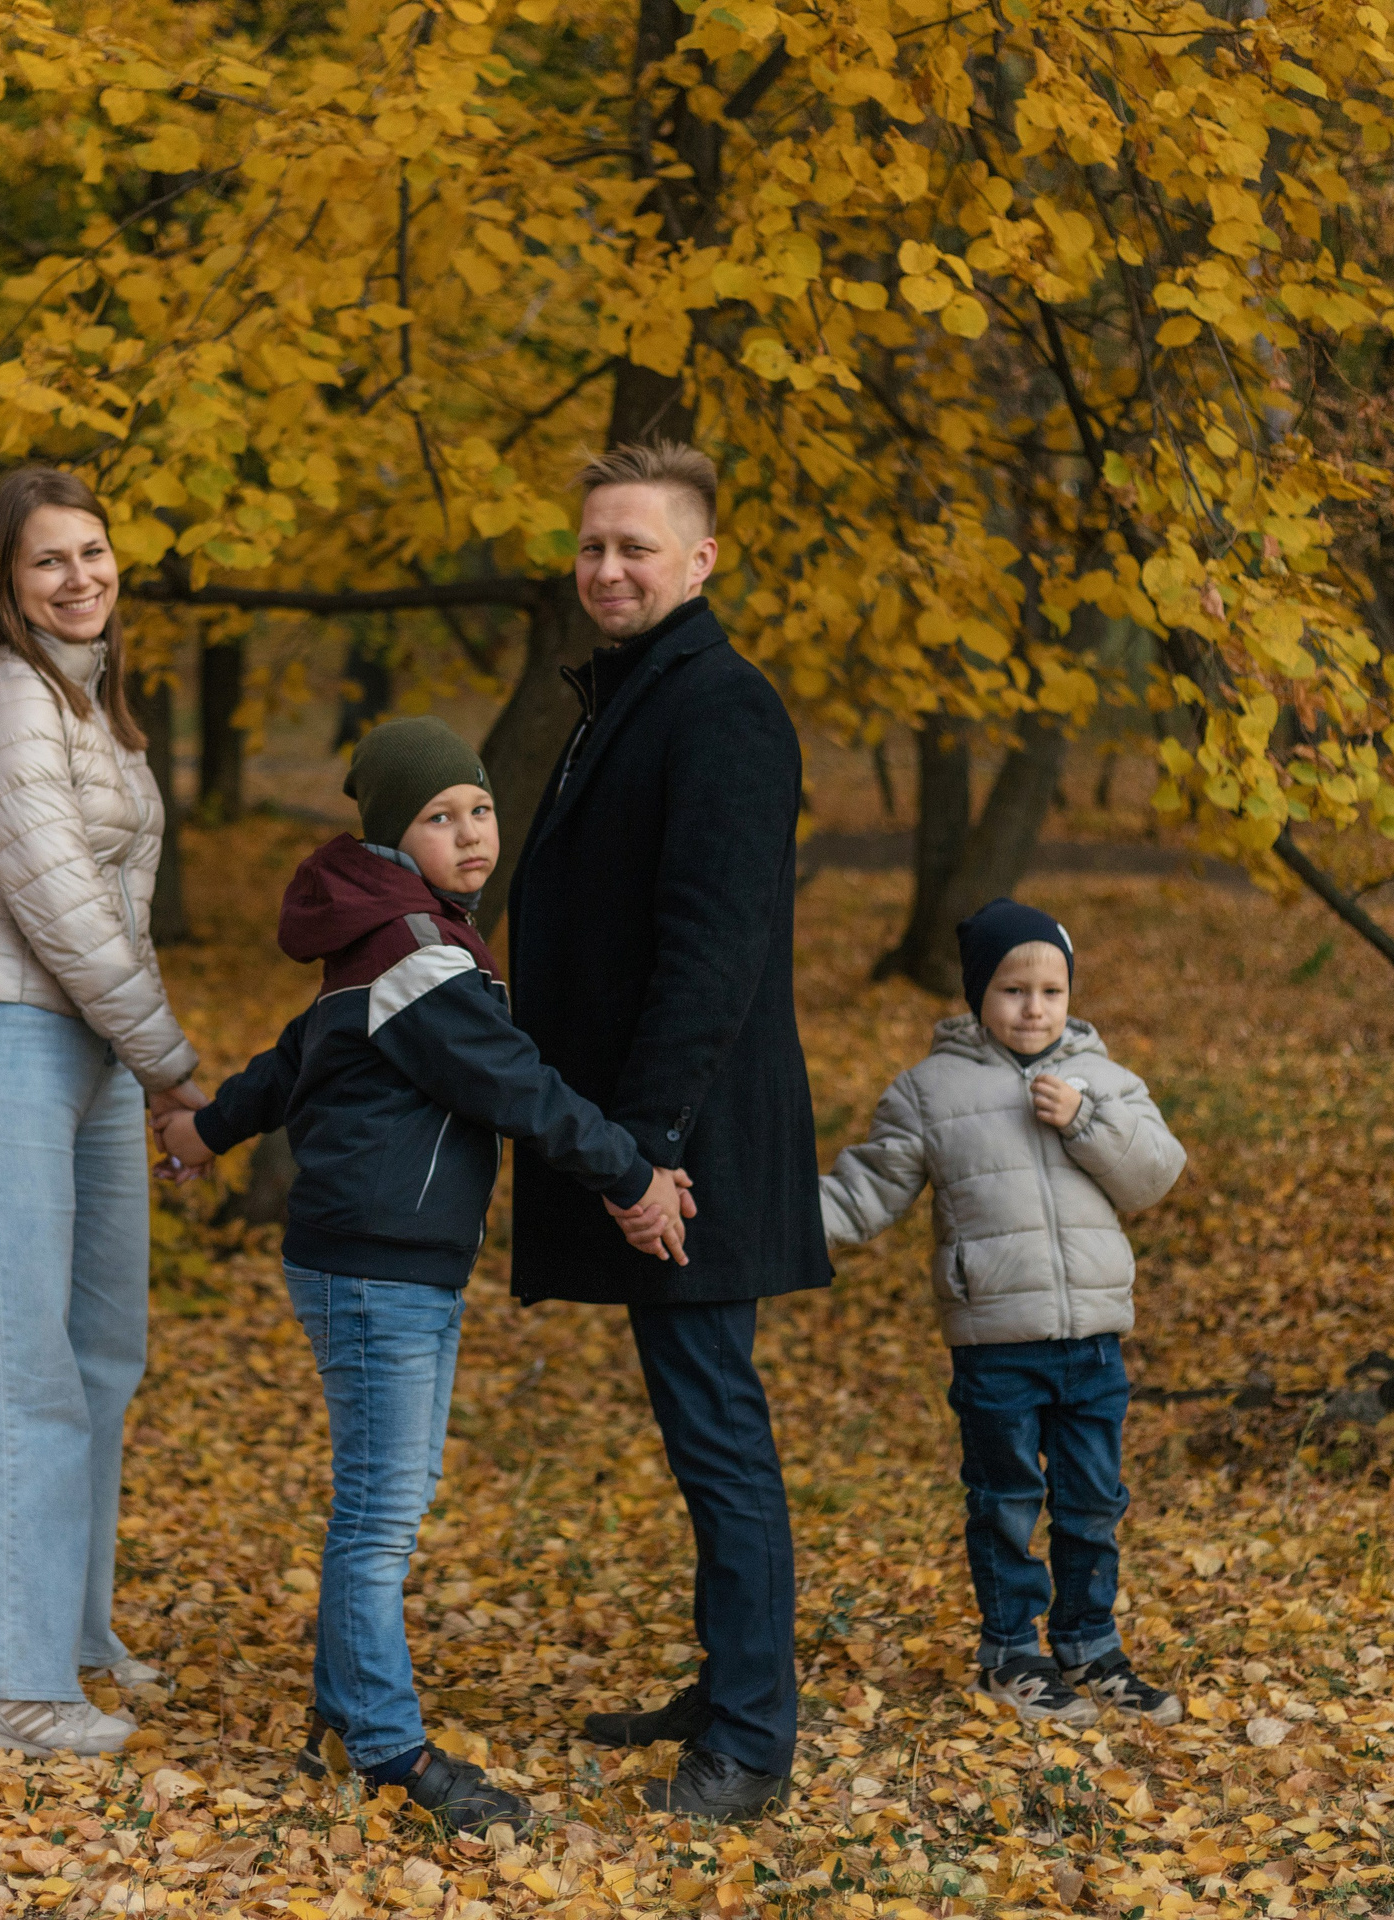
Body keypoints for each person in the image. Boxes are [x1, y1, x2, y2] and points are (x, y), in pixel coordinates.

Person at [156, 717, 689, 1834]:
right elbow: (519, 1088)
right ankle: (390, 1750)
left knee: (385, 1501)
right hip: (374, 1264)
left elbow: (296, 1057)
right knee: (381, 1514)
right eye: (438, 817)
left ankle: (349, 1712)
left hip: (388, 1259)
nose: (469, 833)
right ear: (397, 836)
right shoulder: (415, 954)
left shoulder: (392, 940)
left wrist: (208, 1131)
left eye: (480, 810)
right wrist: (631, 1175)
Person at [508, 441, 831, 1822]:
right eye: (592, 548)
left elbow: (713, 950)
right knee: (700, 1420)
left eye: (636, 547)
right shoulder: (634, 695)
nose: (609, 569)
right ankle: (728, 1678)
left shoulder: (724, 709)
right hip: (654, 1139)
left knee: (717, 1429)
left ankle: (754, 1738)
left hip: (691, 1148)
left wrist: (643, 1150)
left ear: (701, 560)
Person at [0, 466, 209, 1757]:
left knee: (102, 1354)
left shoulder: (99, 715)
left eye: (95, 554)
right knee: (18, 1362)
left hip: (86, 1054)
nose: (81, 576)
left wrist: (133, 1060)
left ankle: (68, 1632)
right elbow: (68, 919)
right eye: (50, 560)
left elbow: (111, 925)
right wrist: (174, 1067)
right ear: (5, 583)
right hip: (9, 1045)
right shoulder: (5, 704)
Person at [818, 899, 1187, 1727]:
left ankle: (1092, 1645)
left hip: (1092, 1341)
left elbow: (1155, 1175)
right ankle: (1011, 1652)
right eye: (1014, 989)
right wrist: (774, 1222)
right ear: (979, 993)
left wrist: (1085, 1119)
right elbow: (863, 1192)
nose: (1034, 1007)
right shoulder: (931, 1091)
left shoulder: (1106, 1079)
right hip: (996, 1344)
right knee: (1008, 1499)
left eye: (1051, 990)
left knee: (1094, 1500)